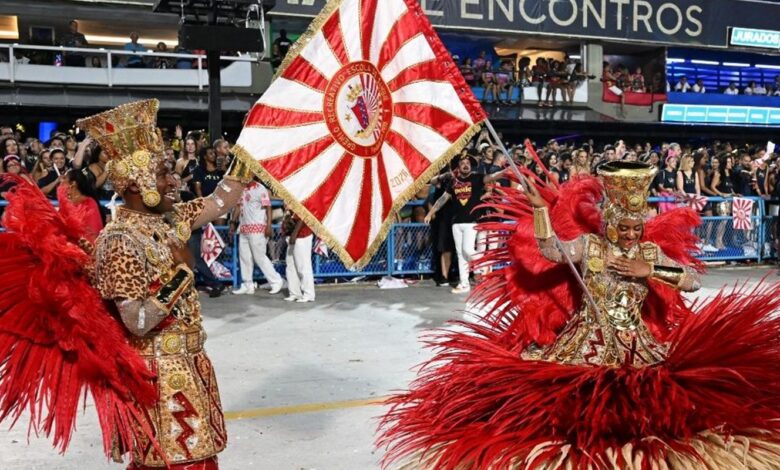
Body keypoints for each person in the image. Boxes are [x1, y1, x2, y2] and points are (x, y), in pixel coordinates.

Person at [380, 161, 780, 469]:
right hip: (586, 335)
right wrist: (540, 211)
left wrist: (652, 271)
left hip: (635, 339)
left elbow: (691, 282)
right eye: (622, 227)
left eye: (635, 228)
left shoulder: (647, 252)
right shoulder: (590, 246)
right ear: (609, 223)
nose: (629, 235)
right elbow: (551, 250)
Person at [78, 99, 253, 468]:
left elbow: (221, 200)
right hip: (156, 375)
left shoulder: (170, 219)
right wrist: (180, 273)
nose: (175, 181)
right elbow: (137, 321)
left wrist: (251, 151)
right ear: (136, 184)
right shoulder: (119, 240)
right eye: (163, 174)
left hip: (189, 362)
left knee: (201, 459)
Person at [423, 152, 509, 294]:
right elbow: (442, 199)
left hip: (471, 222)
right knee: (461, 254)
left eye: (468, 163)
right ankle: (464, 284)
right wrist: (430, 213)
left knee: (468, 250)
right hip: (456, 223)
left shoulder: (477, 178)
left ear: (471, 166)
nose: (465, 164)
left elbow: (493, 177)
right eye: (462, 163)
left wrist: (505, 171)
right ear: (458, 166)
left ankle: (485, 264)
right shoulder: (453, 182)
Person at [230, 178, 284, 295]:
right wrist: (233, 222)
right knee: (245, 258)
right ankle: (247, 284)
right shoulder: (241, 189)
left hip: (257, 228)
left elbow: (268, 207)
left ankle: (276, 281)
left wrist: (268, 225)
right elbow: (238, 207)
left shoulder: (260, 189)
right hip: (244, 228)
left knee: (259, 257)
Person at [57, 169, 103, 242]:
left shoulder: (89, 202)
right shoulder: (64, 202)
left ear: (73, 183)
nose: (61, 180)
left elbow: (93, 233)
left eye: (65, 178)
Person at [282, 210, 315, 302]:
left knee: (303, 266)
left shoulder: (300, 197)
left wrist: (294, 234)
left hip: (301, 236)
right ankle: (295, 293)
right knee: (290, 266)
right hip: (291, 235)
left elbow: (303, 216)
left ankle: (309, 294)